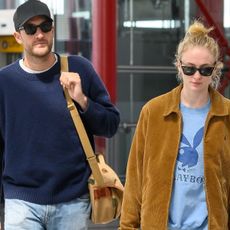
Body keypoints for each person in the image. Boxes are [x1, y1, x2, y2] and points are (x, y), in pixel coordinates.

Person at [0, 0, 120, 229]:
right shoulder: (4, 82)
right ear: (18, 36)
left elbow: (111, 125)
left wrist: (83, 100)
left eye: (45, 27)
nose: (39, 34)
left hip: (73, 201)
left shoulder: (79, 69)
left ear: (53, 30)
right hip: (21, 202)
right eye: (31, 29)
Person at [119, 20, 230, 230]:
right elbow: (135, 178)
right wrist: (127, 227)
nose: (196, 76)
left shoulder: (227, 115)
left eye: (205, 70)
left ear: (215, 69)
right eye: (189, 69)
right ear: (178, 65)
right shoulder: (154, 112)